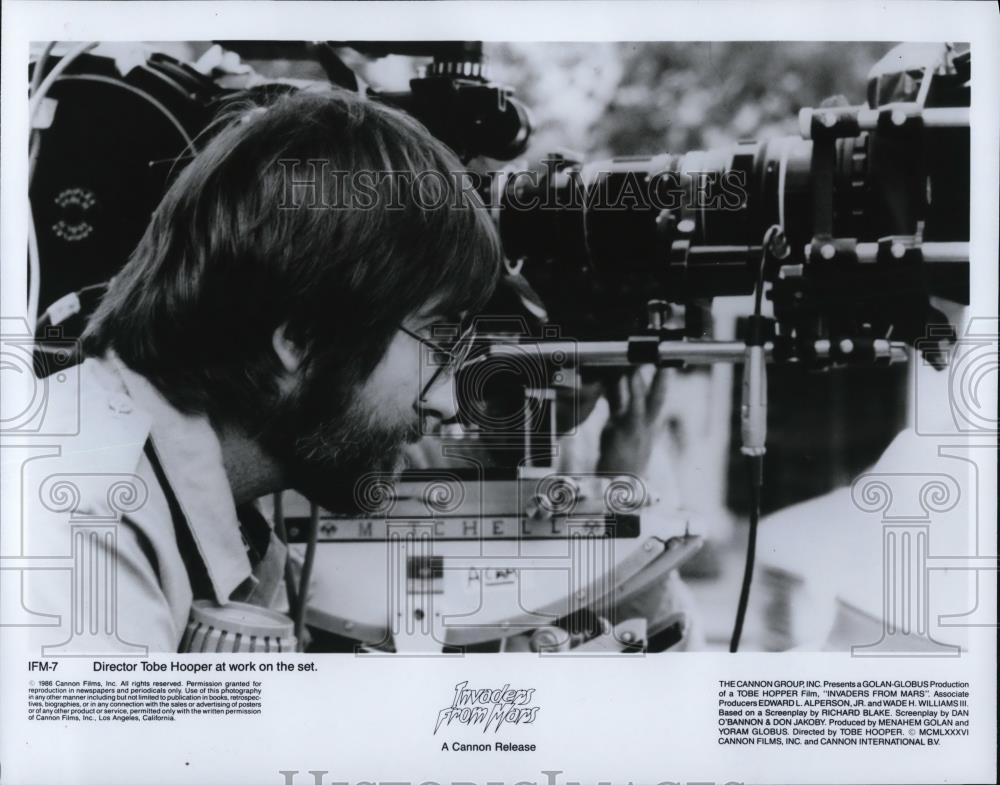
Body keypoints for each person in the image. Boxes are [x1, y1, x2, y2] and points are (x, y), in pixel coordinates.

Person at [20, 88, 502, 653]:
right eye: (435, 340)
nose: (447, 401)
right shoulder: (76, 525)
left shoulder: (190, 503)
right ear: (300, 338)